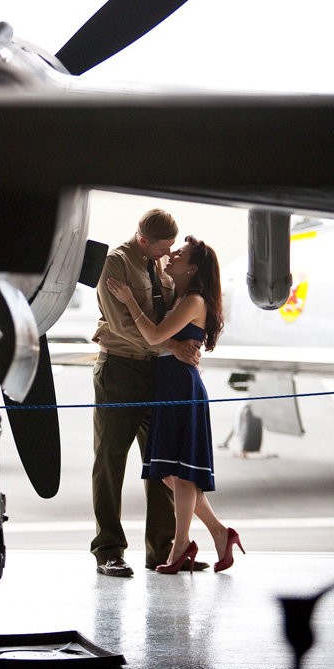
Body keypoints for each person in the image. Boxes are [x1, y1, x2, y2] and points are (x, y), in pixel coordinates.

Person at [106, 235, 245, 574]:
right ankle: (219, 533)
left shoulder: (194, 300)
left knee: (179, 476)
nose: (172, 256)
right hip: (170, 385)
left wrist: (128, 300)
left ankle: (181, 546)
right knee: (170, 475)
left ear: (192, 268)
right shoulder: (183, 296)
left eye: (179, 255)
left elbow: (154, 337)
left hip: (180, 386)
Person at [92, 209, 206, 577]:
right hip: (121, 370)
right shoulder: (115, 264)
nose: (167, 255)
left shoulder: (160, 268)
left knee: (159, 464)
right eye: (163, 248)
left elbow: (168, 313)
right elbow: (121, 324)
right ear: (144, 240)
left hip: (155, 374)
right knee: (111, 461)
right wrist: (172, 346)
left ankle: (161, 549)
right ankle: (108, 550)